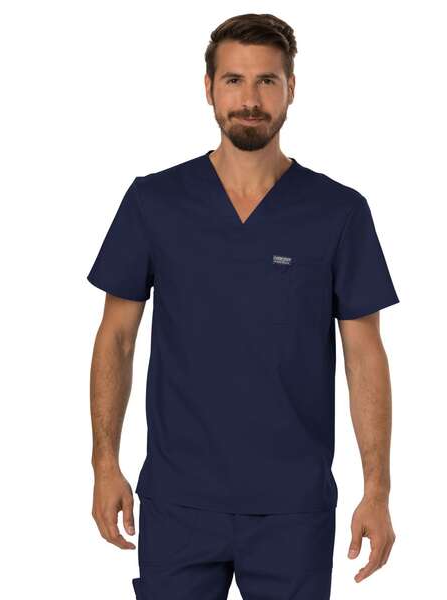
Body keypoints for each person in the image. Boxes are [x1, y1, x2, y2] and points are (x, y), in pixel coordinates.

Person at [87, 12, 399, 599]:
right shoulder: (155, 201)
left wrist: (377, 490)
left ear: (291, 89)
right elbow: (117, 337)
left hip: (294, 509)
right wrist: (105, 464)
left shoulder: (338, 212)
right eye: (234, 80)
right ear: (208, 88)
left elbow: (364, 357)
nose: (250, 100)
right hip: (178, 501)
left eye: (266, 81)